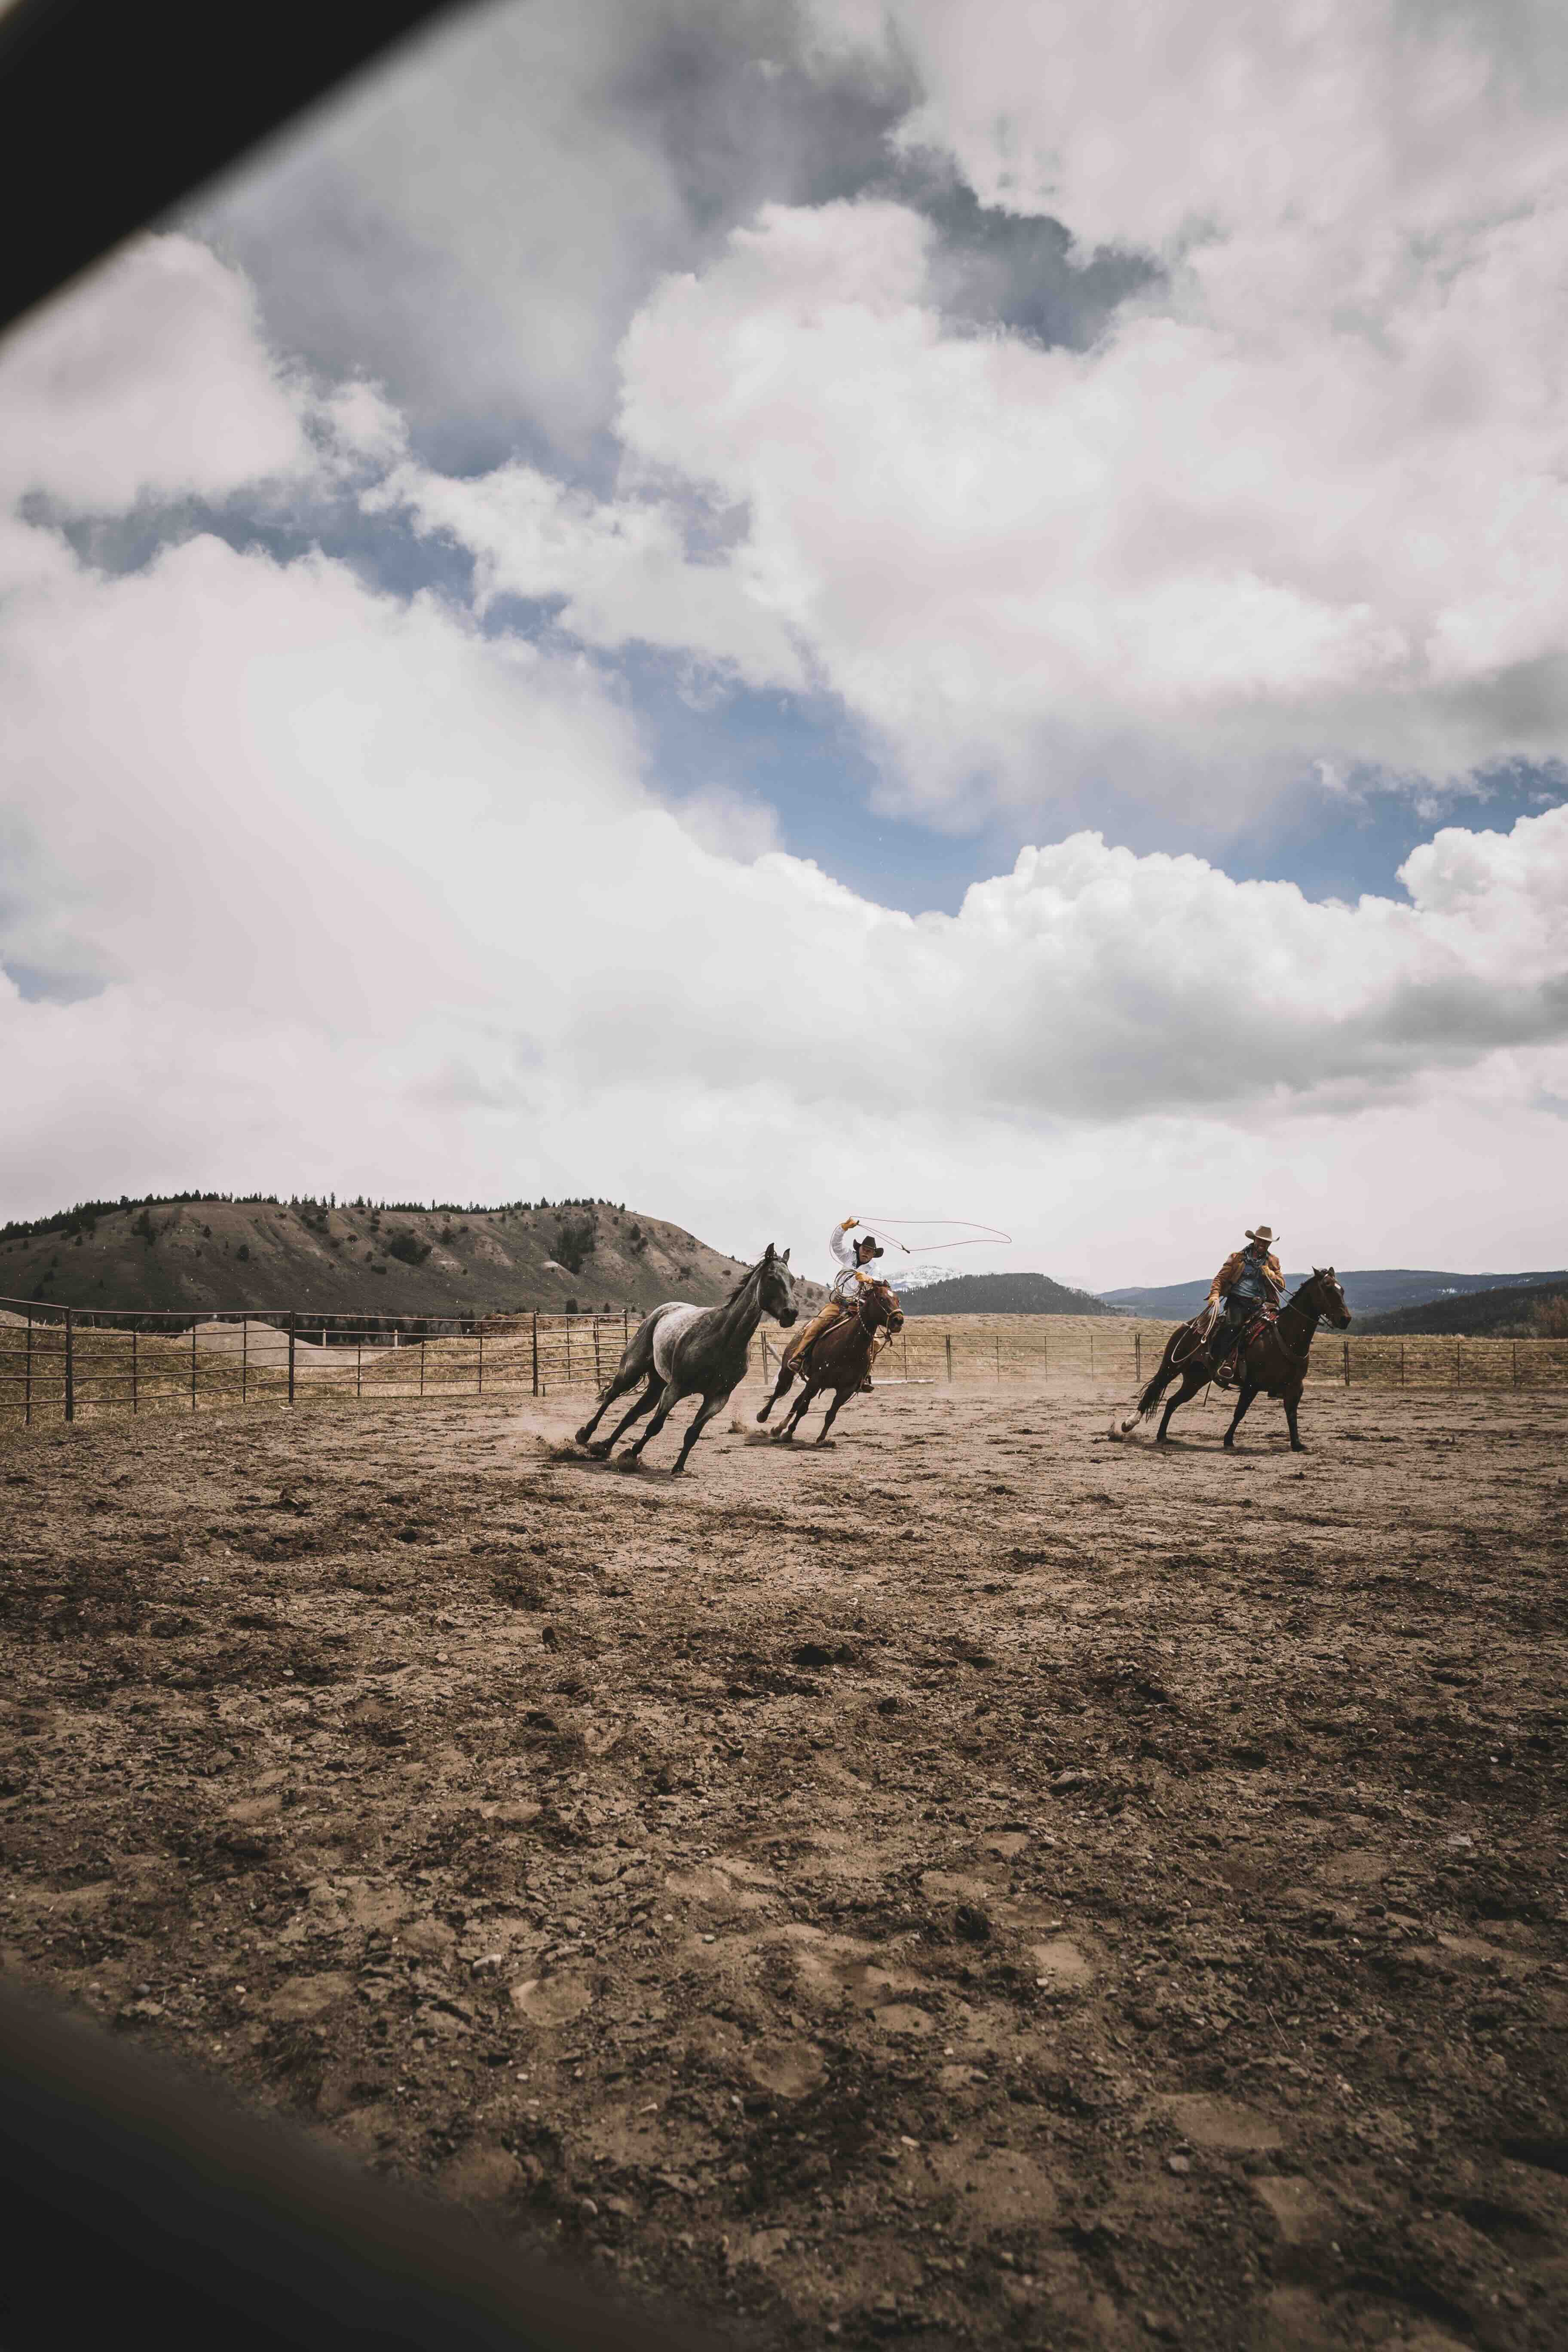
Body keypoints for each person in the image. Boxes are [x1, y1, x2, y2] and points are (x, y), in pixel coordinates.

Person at [782, 1216, 886, 1389]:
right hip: (839, 1304)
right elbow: (836, 1245)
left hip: (859, 1310)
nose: (866, 1252)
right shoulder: (848, 1257)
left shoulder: (875, 1269)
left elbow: (880, 1280)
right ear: (859, 1248)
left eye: (870, 1251)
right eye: (864, 1248)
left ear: (874, 1254)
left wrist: (869, 1279)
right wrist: (844, 1228)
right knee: (816, 1325)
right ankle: (799, 1357)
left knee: (874, 1342)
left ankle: (864, 1374)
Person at [1203, 1224, 1285, 1381]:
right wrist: (1214, 1295)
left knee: (1276, 1331)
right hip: (1237, 1301)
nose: (1263, 1244)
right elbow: (1220, 1278)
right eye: (1260, 1241)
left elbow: (1281, 1286)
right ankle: (1224, 1362)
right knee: (1234, 1325)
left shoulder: (1273, 1261)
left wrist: (1272, 1275)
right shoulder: (1237, 1257)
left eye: (1266, 1242)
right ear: (1255, 1240)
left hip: (1261, 1304)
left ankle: (1276, 1372)